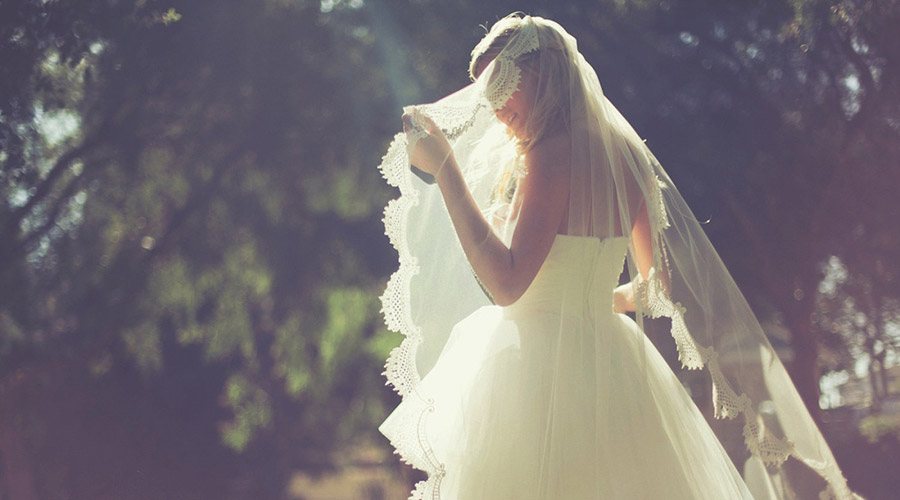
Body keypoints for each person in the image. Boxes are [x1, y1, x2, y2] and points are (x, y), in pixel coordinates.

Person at [377, 13, 863, 500]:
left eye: (502, 85)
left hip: (538, 374)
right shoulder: (626, 156)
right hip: (613, 367)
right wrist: (586, 300)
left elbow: (506, 284)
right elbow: (656, 288)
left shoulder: (550, 154)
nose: (496, 107)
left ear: (542, 73)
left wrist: (446, 170)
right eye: (488, 94)